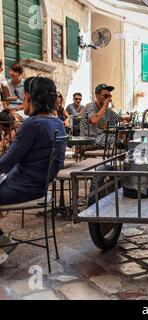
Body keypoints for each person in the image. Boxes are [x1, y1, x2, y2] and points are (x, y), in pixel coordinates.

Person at [0, 76, 67, 264]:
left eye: (23, 96)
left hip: (24, 187)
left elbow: (7, 162)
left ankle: (2, 241)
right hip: (39, 186)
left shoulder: (33, 124)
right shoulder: (57, 123)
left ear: (29, 97)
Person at [80, 84, 131, 149]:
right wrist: (104, 106)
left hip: (101, 137)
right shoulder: (90, 106)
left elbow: (120, 118)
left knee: (126, 138)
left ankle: (123, 155)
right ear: (97, 95)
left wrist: (128, 118)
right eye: (106, 96)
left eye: (110, 96)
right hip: (89, 140)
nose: (109, 99)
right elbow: (94, 121)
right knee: (120, 143)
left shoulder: (107, 110)